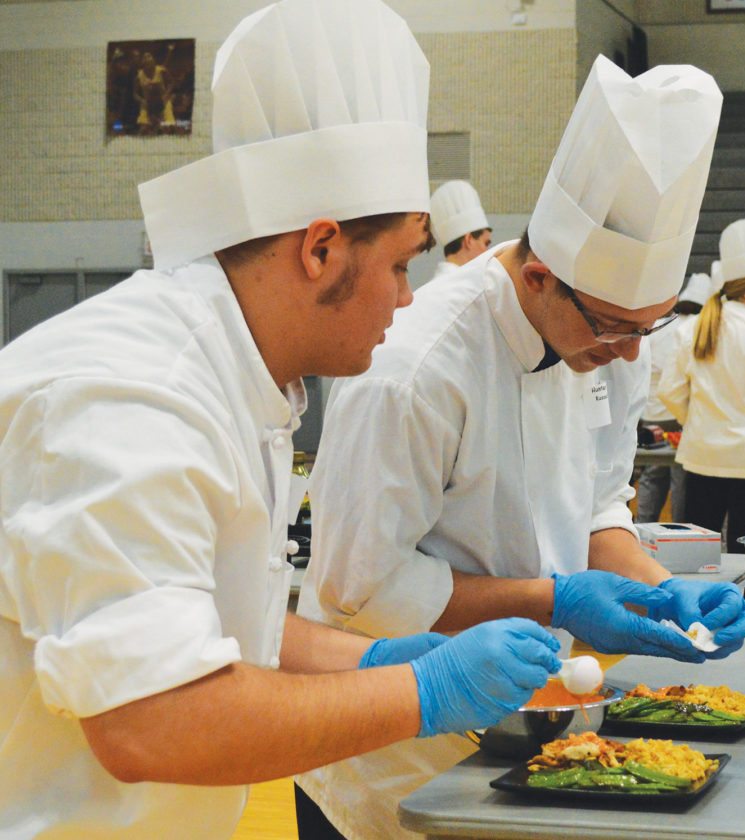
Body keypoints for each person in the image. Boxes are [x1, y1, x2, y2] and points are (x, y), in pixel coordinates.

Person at [0, 3, 564, 838]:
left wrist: (371, 658)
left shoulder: (241, 378)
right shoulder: (133, 396)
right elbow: (151, 721)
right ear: (320, 248)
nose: (406, 298)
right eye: (400, 266)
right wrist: (422, 692)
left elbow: (227, 625)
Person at [297, 56, 745, 839]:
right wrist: (554, 599)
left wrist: (660, 595)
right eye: (611, 328)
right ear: (539, 277)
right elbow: (360, 589)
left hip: (534, 719)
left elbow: (598, 505)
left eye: (646, 328)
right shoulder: (415, 369)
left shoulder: (611, 340)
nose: (627, 353)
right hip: (389, 736)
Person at [658, 218, 745, 551]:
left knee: (697, 553)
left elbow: (668, 391)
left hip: (703, 455)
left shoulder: (691, 330)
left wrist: (698, 422)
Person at [636, 271, 712, 522]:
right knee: (681, 478)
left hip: (651, 412)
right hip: (681, 414)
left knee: (652, 473)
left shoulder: (660, 326)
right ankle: (680, 528)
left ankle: (643, 524)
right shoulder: (698, 330)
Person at [428, 180, 492, 279]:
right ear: (469, 240)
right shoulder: (461, 285)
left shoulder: (442, 281)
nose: (489, 253)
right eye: (486, 244)